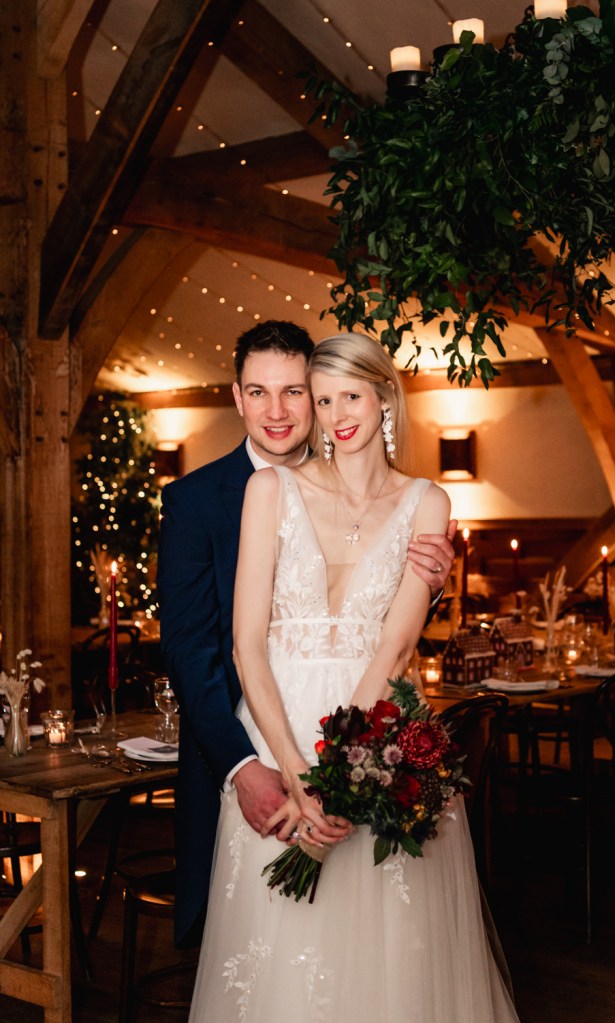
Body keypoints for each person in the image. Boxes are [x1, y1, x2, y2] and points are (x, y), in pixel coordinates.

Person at [188, 332, 519, 1022]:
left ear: (383, 398)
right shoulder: (269, 488)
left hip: (379, 731)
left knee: (389, 951)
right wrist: (296, 772)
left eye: (351, 396)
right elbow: (246, 643)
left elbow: (395, 649)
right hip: (280, 729)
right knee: (276, 946)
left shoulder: (427, 503)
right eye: (324, 397)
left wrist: (344, 771)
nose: (336, 413)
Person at [158, 321, 455, 949]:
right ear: (237, 398)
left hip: (368, 733)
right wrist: (254, 767)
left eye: (297, 391)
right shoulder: (203, 498)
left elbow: (388, 635)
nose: (280, 410)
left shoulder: (417, 499)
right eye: (260, 392)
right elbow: (196, 651)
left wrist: (428, 585)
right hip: (256, 743)